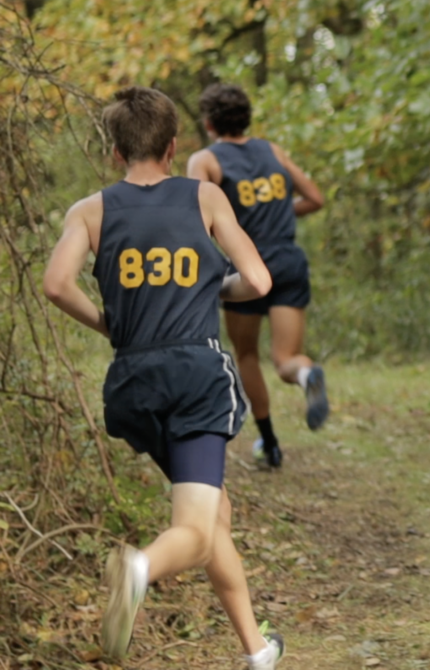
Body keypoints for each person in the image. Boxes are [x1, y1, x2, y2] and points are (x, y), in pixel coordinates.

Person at [43, 86, 283, 669]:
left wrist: (110, 324)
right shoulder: (203, 198)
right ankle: (141, 568)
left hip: (133, 382)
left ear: (114, 151)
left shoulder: (90, 209)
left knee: (213, 516)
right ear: (174, 146)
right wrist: (211, 286)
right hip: (196, 375)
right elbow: (258, 281)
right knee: (195, 530)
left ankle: (258, 652)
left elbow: (55, 284)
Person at [187, 83, 329, 469]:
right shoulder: (274, 151)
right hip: (287, 259)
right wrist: (281, 213)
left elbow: (193, 218)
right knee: (285, 358)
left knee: (246, 353)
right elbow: (315, 198)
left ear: (209, 122)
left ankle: (270, 444)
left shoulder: (206, 161)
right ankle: (307, 375)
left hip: (246, 268)